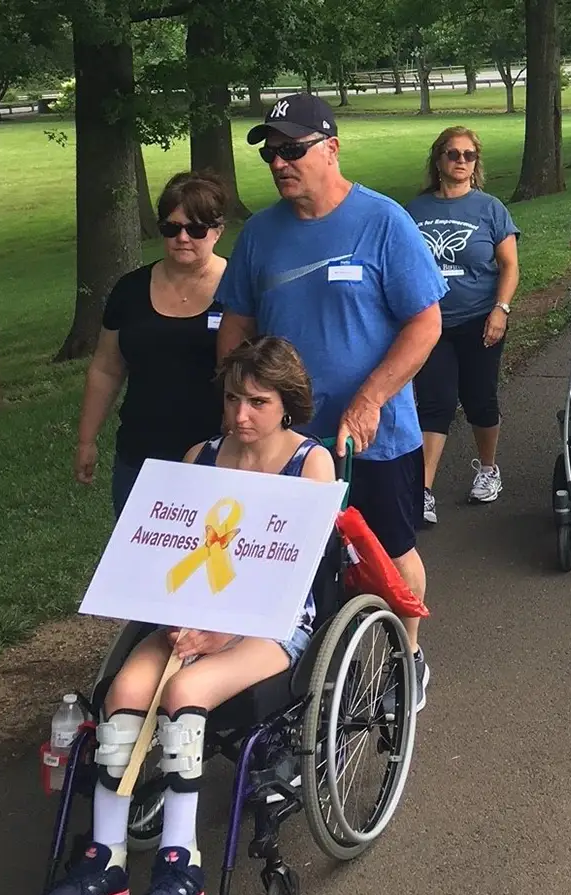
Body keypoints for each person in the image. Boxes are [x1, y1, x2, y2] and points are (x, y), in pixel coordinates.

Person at [32, 336, 336, 895]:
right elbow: (167, 552)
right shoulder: (200, 456)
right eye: (231, 400)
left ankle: (181, 870)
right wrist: (173, 613)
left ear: (287, 404)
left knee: (184, 691)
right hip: (190, 614)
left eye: (257, 402)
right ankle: (106, 862)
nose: (240, 415)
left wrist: (224, 633)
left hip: (270, 622)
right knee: (122, 691)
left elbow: (297, 572)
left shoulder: (309, 464)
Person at [216, 92, 443, 710]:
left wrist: (370, 398)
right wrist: (235, 404)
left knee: (389, 555)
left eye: (293, 149)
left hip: (372, 434)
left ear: (331, 149)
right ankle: (293, 681)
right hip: (285, 443)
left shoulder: (382, 221)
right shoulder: (261, 235)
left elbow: (425, 323)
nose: (280, 163)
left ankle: (408, 656)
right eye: (271, 153)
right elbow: (236, 327)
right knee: (286, 560)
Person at [75, 171, 230, 518]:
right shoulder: (129, 289)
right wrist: (87, 440)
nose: (183, 238)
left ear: (218, 231)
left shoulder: (239, 290)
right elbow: (105, 368)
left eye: (196, 229)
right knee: (139, 564)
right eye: (171, 228)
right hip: (140, 455)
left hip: (218, 455)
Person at [405, 127, 520, 525]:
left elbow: (509, 265)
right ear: (437, 160)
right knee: (434, 402)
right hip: (429, 323)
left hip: (479, 319)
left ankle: (488, 469)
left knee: (479, 398)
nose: (460, 160)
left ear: (476, 163)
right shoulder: (414, 211)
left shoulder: (489, 208)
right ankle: (422, 491)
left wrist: (500, 309)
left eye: (468, 155)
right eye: (452, 154)